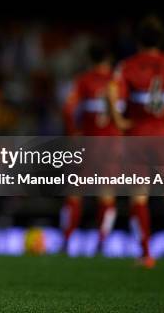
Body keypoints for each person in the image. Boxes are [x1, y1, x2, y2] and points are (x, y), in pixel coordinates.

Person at [108, 17, 164, 269]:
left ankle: (145, 255)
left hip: (138, 138)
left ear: (137, 40)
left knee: (139, 198)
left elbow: (114, 92)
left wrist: (119, 120)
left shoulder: (127, 67)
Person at [60, 41, 125, 254]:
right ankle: (102, 243)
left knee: (74, 193)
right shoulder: (120, 83)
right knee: (106, 196)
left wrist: (73, 133)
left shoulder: (84, 81)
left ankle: (66, 241)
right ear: (109, 60)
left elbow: (68, 108)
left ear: (90, 59)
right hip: (112, 145)